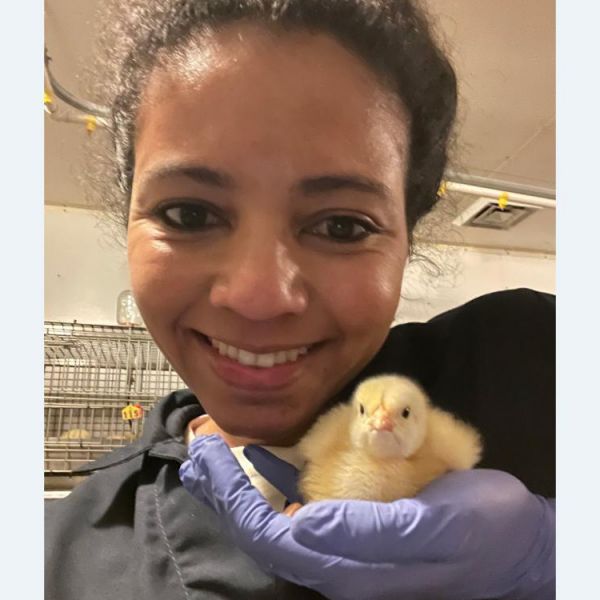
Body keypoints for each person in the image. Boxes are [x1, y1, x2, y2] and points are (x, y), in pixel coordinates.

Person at [45, 1, 555, 599]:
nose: (259, 297)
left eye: (342, 226)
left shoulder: (538, 365)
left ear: (407, 241)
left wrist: (554, 552)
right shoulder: (51, 558)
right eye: (189, 214)